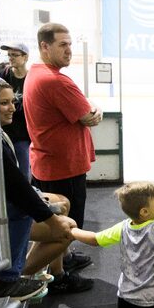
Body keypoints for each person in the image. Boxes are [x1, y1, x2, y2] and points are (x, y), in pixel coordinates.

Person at [0, 77, 91, 300]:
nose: (12, 107)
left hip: (5, 198)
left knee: (62, 202)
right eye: (3, 103)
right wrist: (49, 217)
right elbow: (14, 188)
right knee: (66, 229)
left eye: (13, 101)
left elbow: (16, 183)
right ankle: (10, 279)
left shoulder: (0, 133)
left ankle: (57, 271)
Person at [24, 22, 102, 276]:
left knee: (56, 223)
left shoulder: (38, 73)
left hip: (52, 164)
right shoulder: (53, 80)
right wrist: (92, 109)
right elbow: (88, 114)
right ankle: (54, 276)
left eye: (70, 44)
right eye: (63, 45)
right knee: (63, 226)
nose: (69, 50)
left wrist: (89, 109)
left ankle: (62, 261)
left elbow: (85, 109)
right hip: (62, 167)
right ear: (44, 47)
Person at [0, 41, 32, 180]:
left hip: (23, 132)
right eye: (9, 55)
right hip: (6, 130)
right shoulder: (2, 75)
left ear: (25, 57)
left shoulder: (31, 78)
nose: (11, 58)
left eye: (15, 55)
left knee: (23, 170)